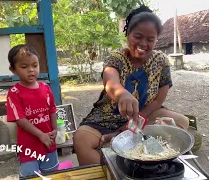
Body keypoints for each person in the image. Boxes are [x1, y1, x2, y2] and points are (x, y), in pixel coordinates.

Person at [73, 5, 189, 166]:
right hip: (107, 117)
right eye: (138, 36)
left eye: (150, 39)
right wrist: (122, 94)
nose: (143, 43)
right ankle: (112, 172)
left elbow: (158, 100)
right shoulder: (117, 57)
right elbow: (110, 81)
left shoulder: (161, 61)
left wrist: (134, 122)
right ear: (128, 34)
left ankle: (122, 141)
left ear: (157, 39)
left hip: (146, 114)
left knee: (181, 122)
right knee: (81, 139)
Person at [6, 44, 59, 177]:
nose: (31, 70)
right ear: (13, 70)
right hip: (29, 146)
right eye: (24, 67)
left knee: (52, 173)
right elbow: (19, 119)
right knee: (30, 175)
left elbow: (52, 110)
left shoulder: (45, 88)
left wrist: (55, 129)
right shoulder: (15, 92)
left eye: (35, 66)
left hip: (48, 142)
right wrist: (40, 135)